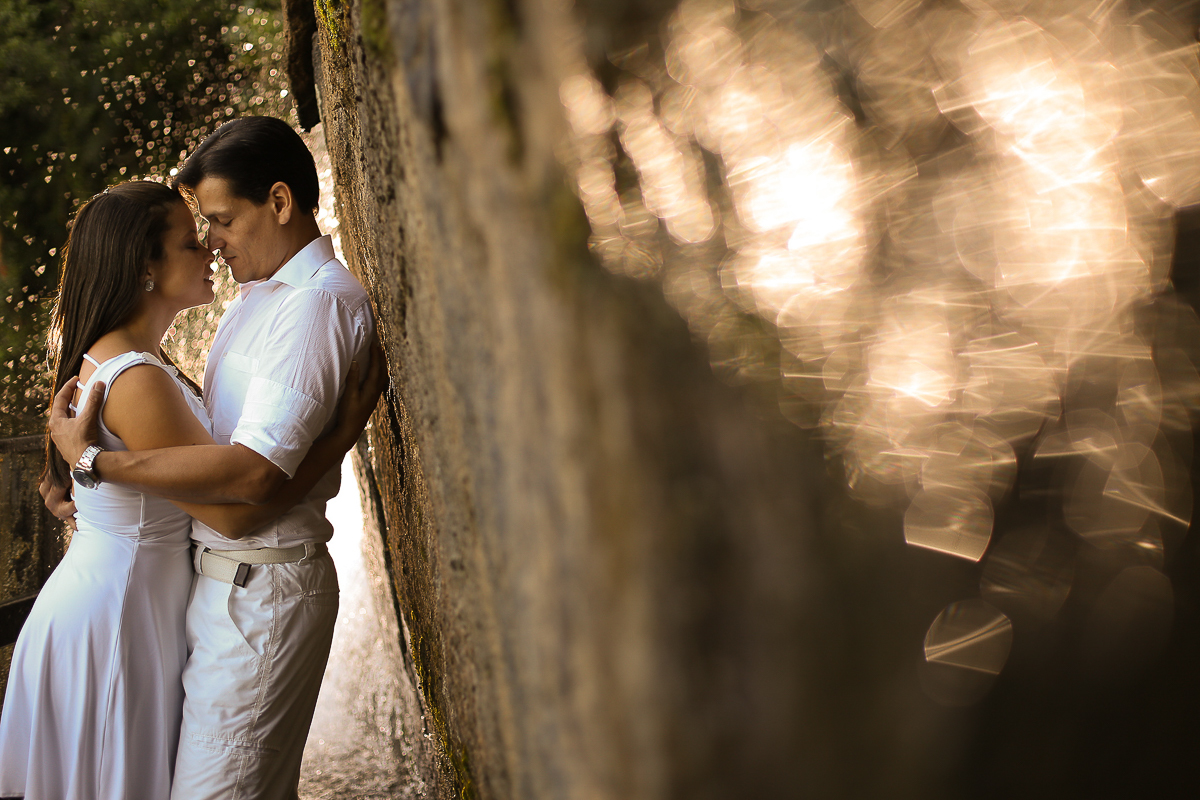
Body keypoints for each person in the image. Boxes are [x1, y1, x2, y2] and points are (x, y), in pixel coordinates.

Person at [0, 180, 385, 799]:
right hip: (118, 619)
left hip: (127, 604)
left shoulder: (133, 360)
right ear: (145, 269)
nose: (208, 247)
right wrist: (340, 435)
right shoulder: (137, 379)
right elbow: (235, 517)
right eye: (188, 241)